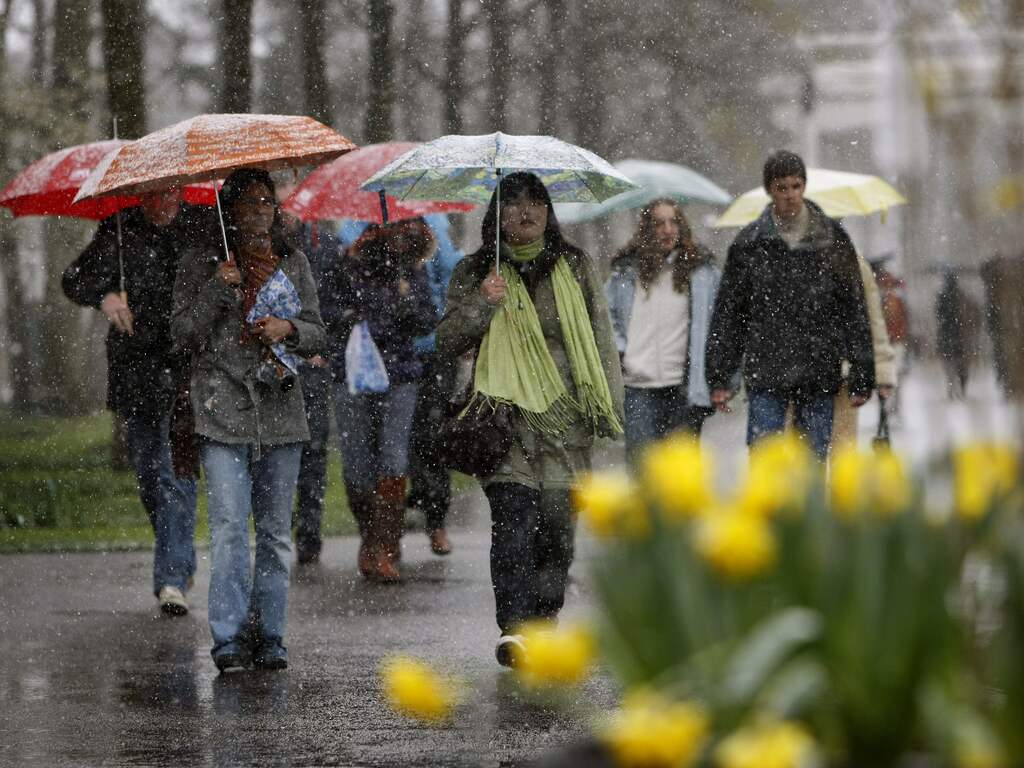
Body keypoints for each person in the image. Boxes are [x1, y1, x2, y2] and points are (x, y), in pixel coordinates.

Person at [437, 172, 624, 667]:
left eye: (536, 201)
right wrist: (484, 302)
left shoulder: (574, 265)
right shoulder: (476, 270)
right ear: (497, 214)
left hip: (567, 422)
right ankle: (515, 628)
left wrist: (611, 406)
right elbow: (447, 338)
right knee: (513, 525)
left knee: (558, 531)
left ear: (549, 211)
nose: (526, 211)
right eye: (515, 202)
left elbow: (601, 340)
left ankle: (545, 619)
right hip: (504, 422)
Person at [171, 168, 325, 672]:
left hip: (281, 413)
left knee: (277, 533)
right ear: (229, 210)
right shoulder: (201, 263)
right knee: (231, 529)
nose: (262, 211)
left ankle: (272, 635)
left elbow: (319, 333)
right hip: (221, 412)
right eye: (251, 202)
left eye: (268, 202)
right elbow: (182, 335)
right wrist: (219, 289)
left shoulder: (293, 261)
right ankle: (229, 638)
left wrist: (289, 328)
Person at [62, 189, 210, 616]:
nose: (159, 201)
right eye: (150, 194)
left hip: (187, 369)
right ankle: (179, 558)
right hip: (136, 369)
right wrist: (105, 295)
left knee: (174, 474)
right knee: (149, 475)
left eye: (167, 192)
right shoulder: (121, 228)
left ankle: (171, 579)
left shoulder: (202, 225)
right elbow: (74, 278)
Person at [705, 150, 875, 459]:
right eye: (782, 187)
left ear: (804, 187)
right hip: (767, 370)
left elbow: (853, 307)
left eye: (796, 186)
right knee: (767, 463)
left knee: (811, 462)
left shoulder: (831, 239)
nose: (790, 195)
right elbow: (730, 313)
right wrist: (720, 375)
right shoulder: (749, 244)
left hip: (818, 370)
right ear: (770, 191)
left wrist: (863, 372)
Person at [320, 220, 437, 583]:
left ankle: (387, 544)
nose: (402, 238)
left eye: (409, 232)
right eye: (396, 231)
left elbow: (428, 319)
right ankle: (368, 536)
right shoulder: (348, 263)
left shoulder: (413, 269)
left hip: (400, 375)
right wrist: (351, 317)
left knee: (393, 458)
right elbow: (325, 311)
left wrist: (409, 309)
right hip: (353, 373)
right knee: (357, 464)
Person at [605, 198, 720, 463]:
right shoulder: (625, 272)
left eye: (673, 222)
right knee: (643, 474)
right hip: (638, 387)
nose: (668, 230)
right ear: (647, 229)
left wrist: (721, 378)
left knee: (680, 480)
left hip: (683, 387)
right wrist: (621, 350)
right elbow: (604, 314)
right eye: (659, 224)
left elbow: (719, 324)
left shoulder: (702, 272)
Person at [275, 175, 340, 566]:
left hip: (313, 365)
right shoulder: (263, 252)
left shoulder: (326, 249)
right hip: (277, 364)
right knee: (281, 450)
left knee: (313, 450)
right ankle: (281, 525)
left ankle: (309, 533)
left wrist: (320, 345)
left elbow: (334, 305)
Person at [407, 215, 465, 556]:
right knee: (397, 441)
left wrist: (447, 323)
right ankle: (385, 533)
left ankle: (436, 518)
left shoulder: (436, 223)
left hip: (434, 350)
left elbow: (452, 277)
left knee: (432, 434)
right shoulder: (364, 221)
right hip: (388, 354)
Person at [830, 254, 897, 450]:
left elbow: (873, 320)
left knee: (842, 450)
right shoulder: (777, 256)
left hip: (841, 372)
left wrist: (883, 372)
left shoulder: (855, 262)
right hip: (794, 375)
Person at [935, 268, 981, 399]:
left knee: (951, 365)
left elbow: (938, 316)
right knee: (961, 365)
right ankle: (960, 388)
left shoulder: (943, 297)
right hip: (958, 336)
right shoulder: (962, 297)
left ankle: (953, 387)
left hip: (950, 336)